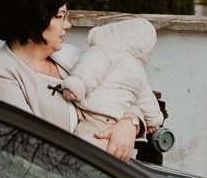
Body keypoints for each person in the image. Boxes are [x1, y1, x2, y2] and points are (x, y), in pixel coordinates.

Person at [0, 0, 98, 140]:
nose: (67, 25)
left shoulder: (69, 55)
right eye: (60, 16)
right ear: (33, 20)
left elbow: (123, 85)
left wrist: (128, 123)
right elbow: (26, 146)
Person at [64, 16, 167, 160]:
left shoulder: (102, 52)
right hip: (116, 119)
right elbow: (147, 100)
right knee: (111, 148)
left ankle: (90, 147)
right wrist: (154, 121)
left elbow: (88, 71)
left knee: (86, 141)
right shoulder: (138, 72)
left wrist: (76, 86)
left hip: (92, 112)